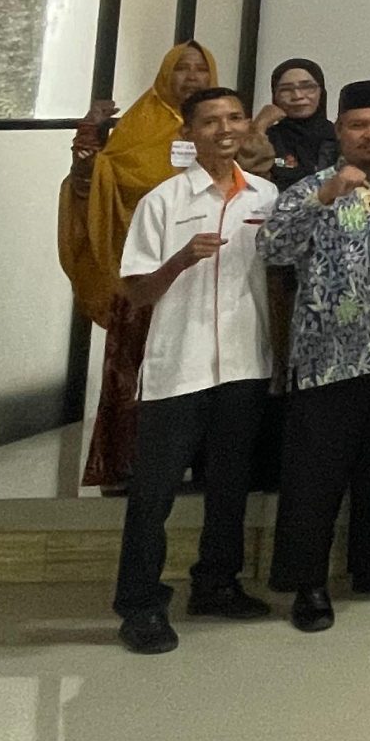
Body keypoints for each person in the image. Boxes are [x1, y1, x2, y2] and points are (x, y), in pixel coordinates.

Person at [108, 85, 278, 653]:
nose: (224, 129)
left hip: (244, 364)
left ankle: (216, 584)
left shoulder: (268, 196)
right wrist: (180, 260)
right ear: (189, 133)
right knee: (153, 494)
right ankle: (140, 604)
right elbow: (134, 291)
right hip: (177, 368)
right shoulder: (164, 201)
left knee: (229, 486)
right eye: (210, 122)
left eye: (234, 118)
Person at [257, 79, 370, 631]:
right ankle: (307, 583)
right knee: (315, 478)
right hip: (329, 359)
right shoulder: (309, 188)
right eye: (359, 125)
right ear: (340, 129)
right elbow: (273, 248)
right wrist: (325, 195)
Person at [61, 40, 219, 491]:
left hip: (207, 267)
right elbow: (94, 179)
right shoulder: (138, 123)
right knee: (135, 370)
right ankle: (126, 468)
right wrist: (89, 132)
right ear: (165, 74)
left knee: (202, 371)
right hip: (144, 268)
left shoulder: (220, 122)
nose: (191, 78)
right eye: (181, 69)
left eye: (200, 69)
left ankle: (199, 466)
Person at [244, 58, 340, 184]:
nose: (297, 96)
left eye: (307, 87)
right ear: (275, 95)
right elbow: (251, 184)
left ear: (321, 92)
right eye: (286, 89)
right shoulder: (267, 139)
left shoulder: (339, 136)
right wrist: (258, 128)